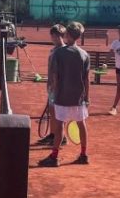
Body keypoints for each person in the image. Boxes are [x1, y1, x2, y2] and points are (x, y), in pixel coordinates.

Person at [38, 21, 90, 167]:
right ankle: (84, 155)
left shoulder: (58, 53)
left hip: (61, 96)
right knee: (81, 124)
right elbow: (86, 79)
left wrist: (52, 94)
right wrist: (87, 98)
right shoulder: (85, 54)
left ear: (67, 34)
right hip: (79, 97)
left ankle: (54, 157)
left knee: (60, 124)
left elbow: (55, 76)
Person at [36, 23, 68, 147]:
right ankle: (53, 134)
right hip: (52, 86)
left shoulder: (65, 51)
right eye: (53, 36)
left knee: (58, 112)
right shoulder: (53, 50)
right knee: (52, 112)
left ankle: (62, 137)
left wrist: (55, 85)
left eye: (55, 36)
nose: (53, 38)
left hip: (59, 87)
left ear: (60, 36)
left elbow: (62, 71)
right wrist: (50, 84)